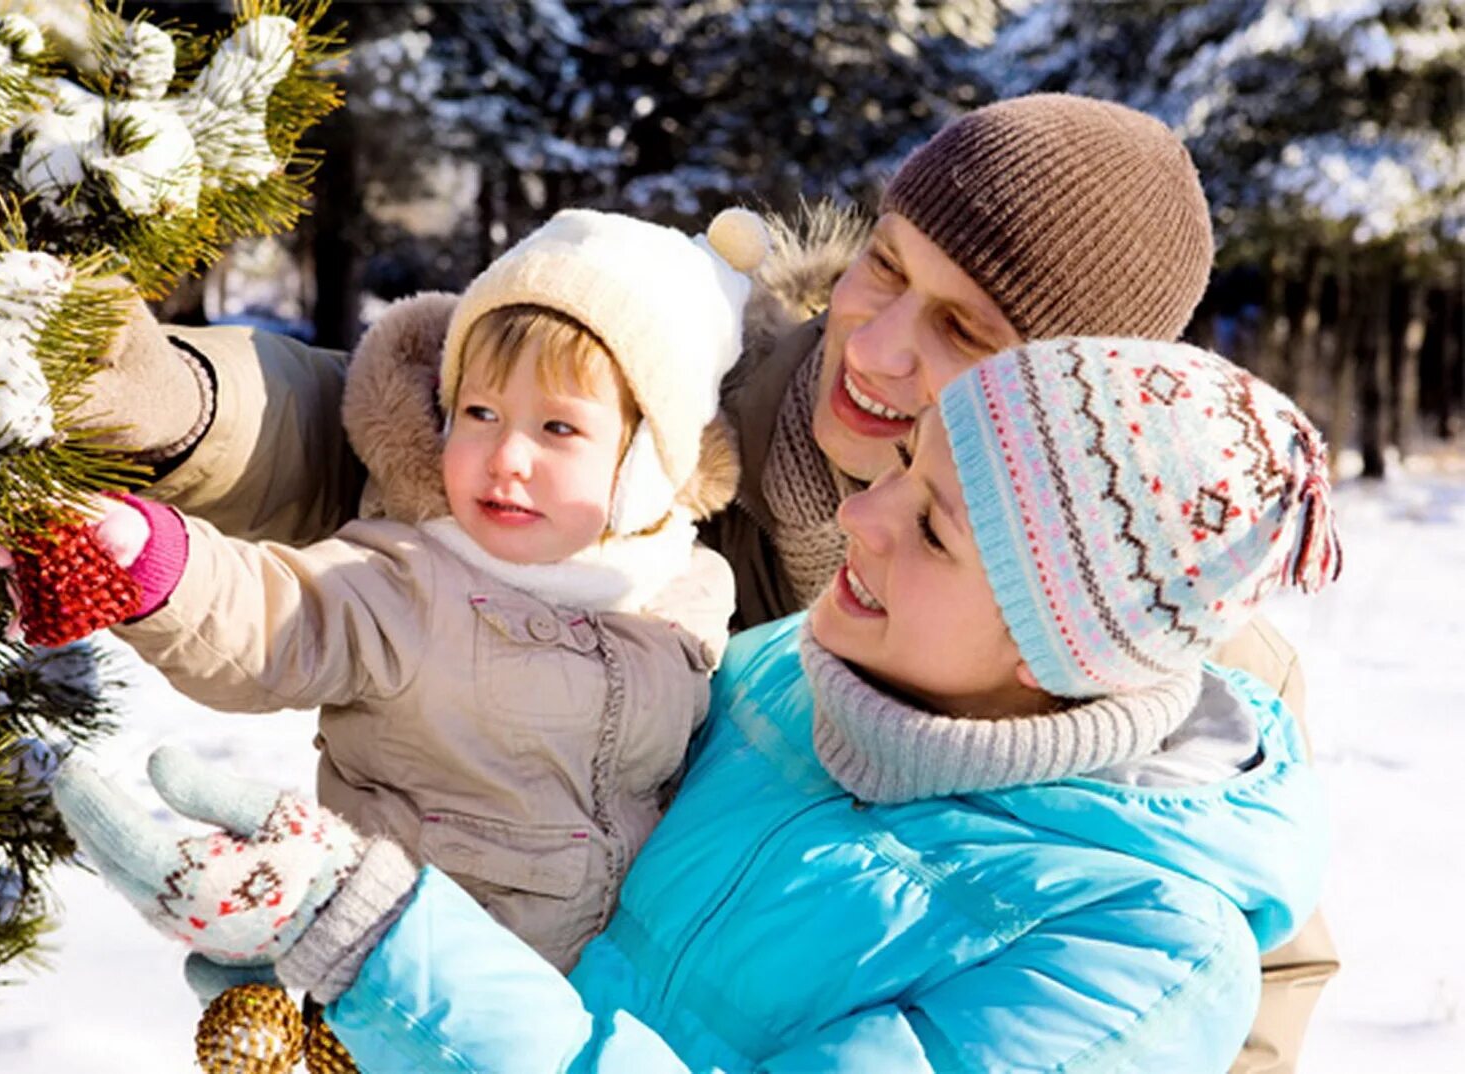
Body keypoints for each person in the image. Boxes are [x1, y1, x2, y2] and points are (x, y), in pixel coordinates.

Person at [72, 95, 1335, 1069]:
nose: (880, 345)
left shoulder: (1184, 707)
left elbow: (1230, 983)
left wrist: (383, 943)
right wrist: (171, 402)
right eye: (886, 266)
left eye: (966, 330)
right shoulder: (705, 422)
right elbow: (415, 424)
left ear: (1064, 403)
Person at [13, 208, 767, 972]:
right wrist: (162, 567)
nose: (506, 455)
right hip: (409, 991)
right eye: (480, 412)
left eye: (558, 429)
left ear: (647, 465)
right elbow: (285, 616)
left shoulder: (688, 590)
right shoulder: (411, 576)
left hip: (606, 1012)